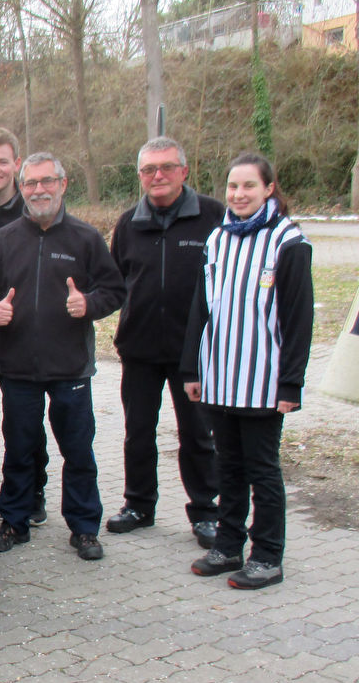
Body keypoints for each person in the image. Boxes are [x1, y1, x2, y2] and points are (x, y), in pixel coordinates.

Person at [0, 152, 125, 561]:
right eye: (31, 183)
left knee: (78, 450)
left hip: (70, 367)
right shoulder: (3, 241)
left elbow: (114, 290)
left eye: (47, 181)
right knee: (18, 449)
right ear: (21, 188)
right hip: (17, 367)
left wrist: (89, 304)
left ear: (63, 184)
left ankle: (84, 527)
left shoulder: (85, 238)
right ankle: (14, 521)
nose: (39, 190)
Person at [182, 153, 313, 589]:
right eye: (233, 187)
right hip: (220, 376)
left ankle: (268, 556)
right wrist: (192, 369)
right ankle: (228, 545)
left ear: (269, 188)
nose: (239, 195)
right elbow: (201, 308)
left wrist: (291, 383)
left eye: (249, 186)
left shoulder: (288, 241)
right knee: (228, 468)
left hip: (262, 381)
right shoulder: (217, 239)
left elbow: (299, 319)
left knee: (262, 471)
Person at [108, 137, 223, 549]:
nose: (158, 176)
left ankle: (206, 511)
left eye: (167, 167)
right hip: (139, 348)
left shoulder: (212, 216)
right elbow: (115, 280)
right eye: (148, 170)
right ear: (140, 176)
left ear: (184, 171)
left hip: (194, 351)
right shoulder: (128, 224)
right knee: (138, 431)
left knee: (197, 433)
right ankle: (139, 504)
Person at [0, 127, 48, 527]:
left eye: (2, 161)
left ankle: (34, 490)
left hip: (24, 337)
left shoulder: (35, 211)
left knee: (25, 419)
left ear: (16, 164)